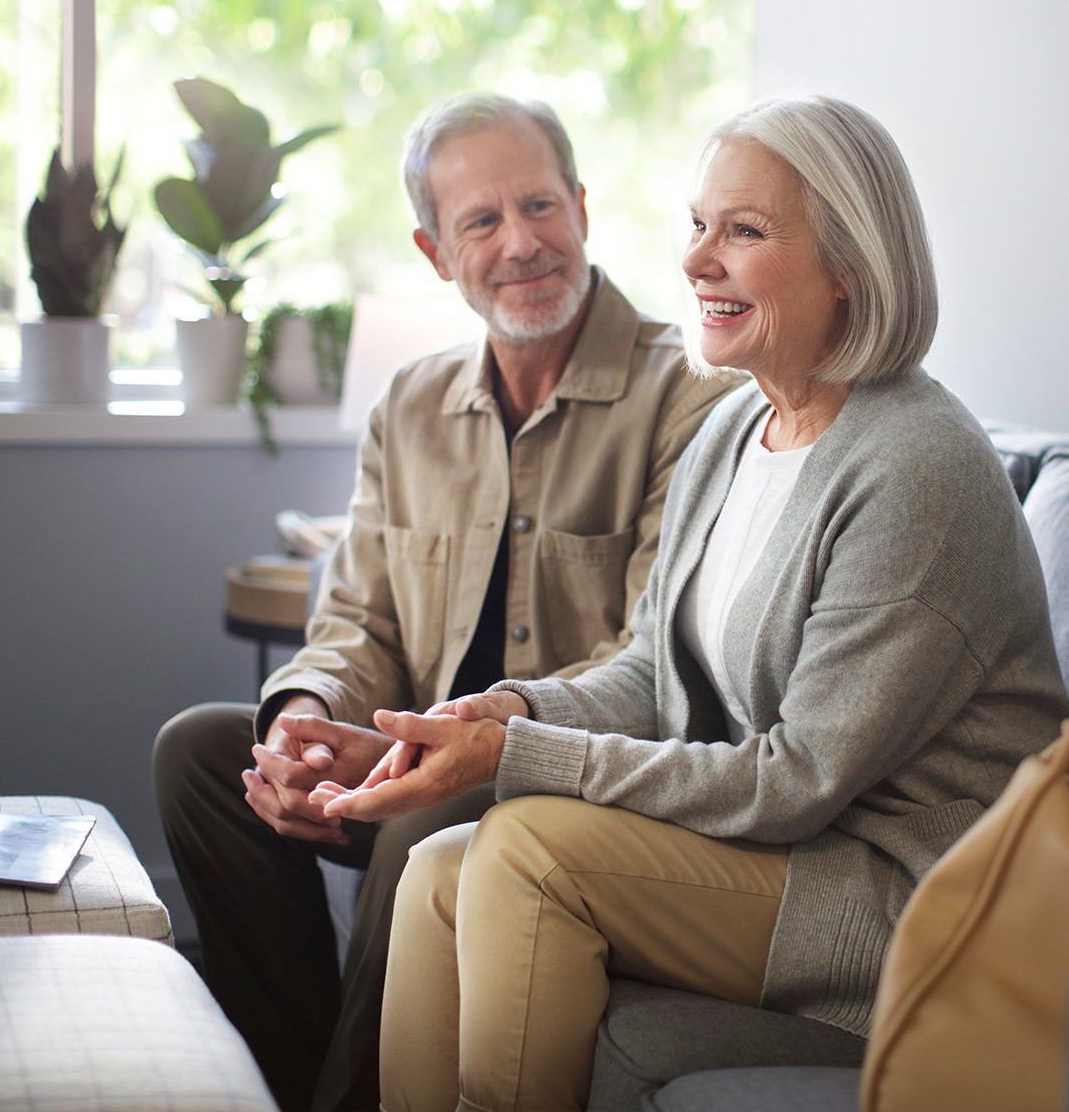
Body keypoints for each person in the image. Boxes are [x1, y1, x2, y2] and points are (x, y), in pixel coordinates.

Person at [314, 95, 1069, 1112]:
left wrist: (515, 757)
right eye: (699, 225)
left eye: (744, 232)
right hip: (797, 859)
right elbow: (650, 672)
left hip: (907, 896)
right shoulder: (735, 432)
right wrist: (505, 712)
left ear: (852, 263)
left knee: (528, 847)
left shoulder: (917, 467)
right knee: (440, 870)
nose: (698, 260)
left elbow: (797, 777)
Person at [152, 92, 743, 1112]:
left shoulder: (687, 394)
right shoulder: (410, 404)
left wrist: (458, 740)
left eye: (540, 206)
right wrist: (306, 719)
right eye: (481, 221)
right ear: (436, 252)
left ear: (583, 209)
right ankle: (293, 1078)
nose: (522, 243)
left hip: (554, 772)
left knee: (452, 805)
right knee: (207, 753)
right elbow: (360, 624)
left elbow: (651, 658)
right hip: (409, 750)